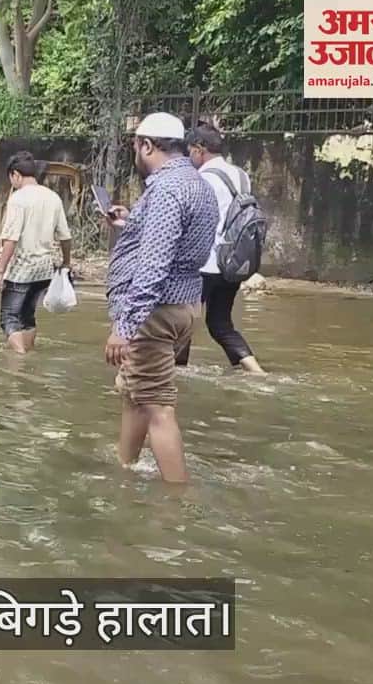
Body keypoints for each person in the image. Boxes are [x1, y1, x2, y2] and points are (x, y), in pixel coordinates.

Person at [102, 112, 218, 484]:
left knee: (157, 408)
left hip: (155, 312)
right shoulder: (196, 183)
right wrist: (131, 223)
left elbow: (153, 266)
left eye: (136, 146)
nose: (135, 153)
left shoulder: (167, 189)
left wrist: (124, 327)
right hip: (183, 305)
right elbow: (175, 241)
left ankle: (178, 502)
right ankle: (126, 471)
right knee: (136, 394)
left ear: (147, 145)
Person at [176, 120, 266, 374]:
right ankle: (256, 372)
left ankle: (174, 374)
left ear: (199, 149)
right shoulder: (241, 175)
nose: (189, 157)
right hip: (232, 263)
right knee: (220, 323)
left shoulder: (203, 178)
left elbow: (193, 220)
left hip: (205, 264)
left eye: (190, 151)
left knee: (183, 322)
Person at [0, 151, 72, 353]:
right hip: (44, 271)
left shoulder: (18, 199)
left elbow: (11, 238)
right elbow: (65, 237)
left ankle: (21, 359)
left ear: (15, 175)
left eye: (11, 178)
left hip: (21, 269)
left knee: (9, 318)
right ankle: (29, 354)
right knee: (27, 317)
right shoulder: (53, 197)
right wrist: (66, 263)